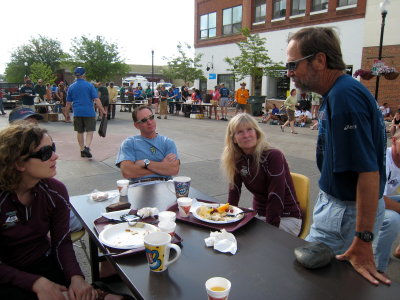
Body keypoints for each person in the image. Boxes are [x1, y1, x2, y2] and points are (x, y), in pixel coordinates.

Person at [287, 27, 389, 285]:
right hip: (341, 208)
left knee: (316, 285)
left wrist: (363, 240)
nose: (289, 73)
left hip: (345, 212)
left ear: (319, 60)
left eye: (292, 64)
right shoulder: (339, 93)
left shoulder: (344, 96)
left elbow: (368, 171)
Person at [0, 124, 133, 300]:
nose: (56, 156)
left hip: (45, 264)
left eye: (53, 148)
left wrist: (76, 277)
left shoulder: (55, 191)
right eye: (45, 153)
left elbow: (62, 242)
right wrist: (34, 283)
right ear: (18, 163)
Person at [221, 113, 302, 236]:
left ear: (257, 132)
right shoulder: (237, 159)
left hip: (286, 217)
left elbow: (276, 196)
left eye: (250, 129)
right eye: (240, 132)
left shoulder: (273, 156)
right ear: (233, 138)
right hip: (259, 214)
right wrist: (227, 217)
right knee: (227, 233)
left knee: (245, 240)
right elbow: (234, 190)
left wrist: (269, 233)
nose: (246, 135)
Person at [116, 105, 179, 184]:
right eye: (144, 120)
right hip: (138, 187)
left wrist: (146, 163)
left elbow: (174, 169)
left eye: (151, 117)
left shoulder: (167, 142)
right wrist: (162, 166)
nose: (149, 122)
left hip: (164, 186)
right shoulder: (129, 143)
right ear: (136, 125)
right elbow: (127, 172)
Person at [65, 67, 107, 158]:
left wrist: (66, 114)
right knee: (90, 130)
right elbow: (96, 99)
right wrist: (103, 110)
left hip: (77, 112)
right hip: (89, 112)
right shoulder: (89, 86)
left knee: (79, 132)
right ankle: (87, 147)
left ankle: (81, 150)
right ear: (84, 75)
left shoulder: (71, 87)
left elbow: (68, 103)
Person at [375, 130, 400, 273]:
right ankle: (378, 267)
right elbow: (377, 198)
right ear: (394, 141)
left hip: (381, 199)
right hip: (362, 203)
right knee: (393, 220)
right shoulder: (383, 159)